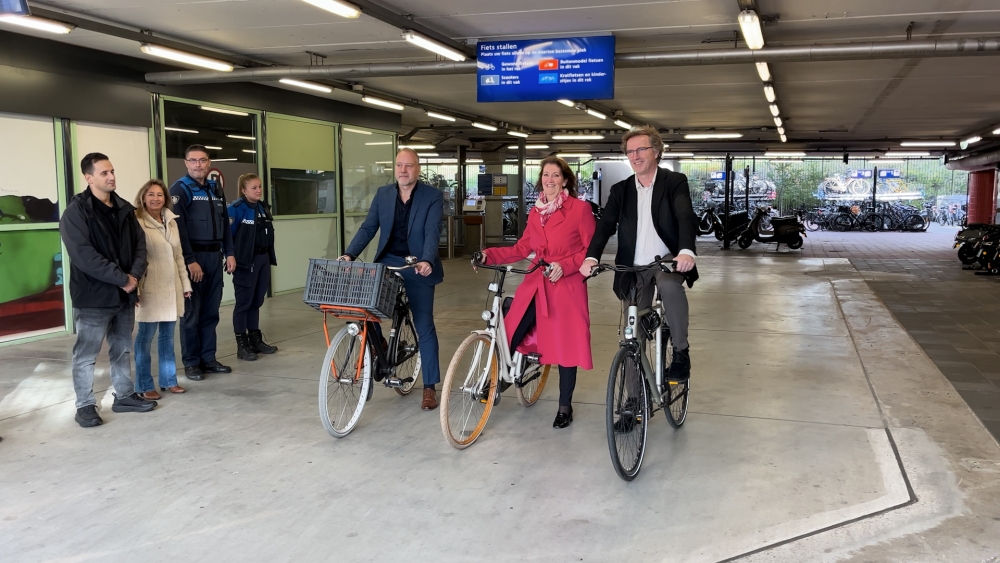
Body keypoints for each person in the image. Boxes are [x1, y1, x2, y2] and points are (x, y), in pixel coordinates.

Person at [479, 157, 596, 428]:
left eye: (555, 175)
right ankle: (498, 380)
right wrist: (489, 255)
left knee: (567, 347)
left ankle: (565, 406)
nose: (550, 180)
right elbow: (521, 248)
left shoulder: (580, 210)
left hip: (566, 285)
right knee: (511, 330)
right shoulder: (536, 212)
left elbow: (591, 251)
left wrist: (565, 265)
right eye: (546, 175)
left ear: (565, 180)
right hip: (537, 282)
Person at [580, 125, 699, 381]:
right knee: (631, 335)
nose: (635, 156)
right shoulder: (620, 190)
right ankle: (633, 400)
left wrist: (686, 251)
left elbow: (685, 216)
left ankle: (680, 351)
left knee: (669, 287)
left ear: (656, 151)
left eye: (641, 149)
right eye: (630, 152)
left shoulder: (674, 182)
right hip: (632, 267)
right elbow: (604, 226)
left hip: (666, 260)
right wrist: (592, 257)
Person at [341, 148, 444, 411]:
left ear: (417, 169)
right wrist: (350, 254)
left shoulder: (431, 196)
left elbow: (432, 231)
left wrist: (427, 260)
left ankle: (430, 387)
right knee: (363, 309)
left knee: (424, 325)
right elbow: (368, 227)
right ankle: (382, 344)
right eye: (399, 165)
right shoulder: (384, 194)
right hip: (388, 260)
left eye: (409, 166)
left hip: (418, 264)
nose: (403, 170)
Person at [60, 153, 155, 427]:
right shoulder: (76, 213)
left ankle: (124, 396)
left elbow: (140, 246)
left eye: (112, 171)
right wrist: (121, 278)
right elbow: (84, 256)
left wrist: (134, 277)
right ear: (89, 178)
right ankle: (85, 405)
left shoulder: (124, 209)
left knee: (123, 348)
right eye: (104, 173)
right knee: (87, 354)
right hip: (92, 296)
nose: (111, 176)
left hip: (124, 293)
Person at [170, 144, 235, 380]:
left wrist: (230, 252)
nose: (198, 164)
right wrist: (190, 260)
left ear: (209, 164)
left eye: (203, 160)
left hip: (214, 258)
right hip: (193, 259)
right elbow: (179, 229)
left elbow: (225, 223)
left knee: (211, 312)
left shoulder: (214, 188)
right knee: (191, 314)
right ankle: (191, 362)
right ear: (186, 163)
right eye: (193, 160)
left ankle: (208, 358)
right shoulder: (180, 189)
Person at [133, 179, 192, 399]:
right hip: (150, 286)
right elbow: (134, 257)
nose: (155, 198)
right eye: (150, 194)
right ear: (143, 197)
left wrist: (185, 284)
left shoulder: (172, 221)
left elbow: (179, 256)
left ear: (165, 198)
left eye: (159, 194)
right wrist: (135, 289)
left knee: (167, 337)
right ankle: (144, 384)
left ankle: (169, 380)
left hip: (172, 287)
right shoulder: (137, 221)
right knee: (145, 337)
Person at [228, 173, 278, 361]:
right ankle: (242, 345)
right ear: (243, 190)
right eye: (254, 188)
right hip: (245, 261)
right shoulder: (236, 209)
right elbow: (228, 236)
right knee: (244, 302)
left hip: (263, 258)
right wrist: (230, 255)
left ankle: (255, 339)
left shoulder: (262, 208)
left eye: (260, 187)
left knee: (257, 301)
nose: (258, 190)